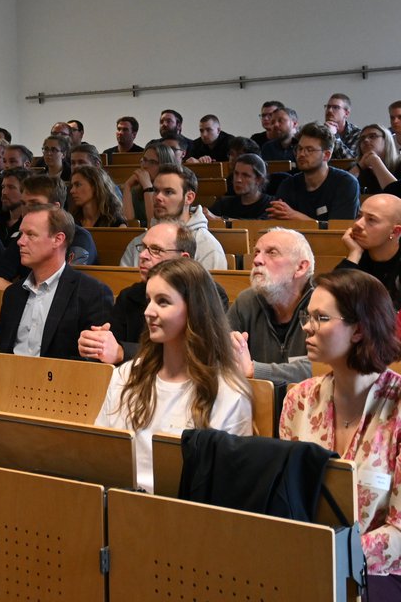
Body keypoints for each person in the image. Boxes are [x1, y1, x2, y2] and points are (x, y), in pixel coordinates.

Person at [280, 270, 401, 597]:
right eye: (308, 316)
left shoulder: (399, 408)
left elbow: (400, 534)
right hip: (309, 561)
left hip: (382, 572)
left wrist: (331, 556)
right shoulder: (299, 400)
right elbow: (287, 500)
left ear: (359, 330)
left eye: (321, 318)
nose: (306, 326)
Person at [95, 259, 252, 494]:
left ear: (194, 310)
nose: (148, 312)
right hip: (119, 503)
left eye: (163, 302)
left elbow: (226, 488)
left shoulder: (228, 392)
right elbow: (100, 452)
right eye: (149, 301)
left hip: (183, 515)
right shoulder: (127, 374)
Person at [79, 222, 228, 365]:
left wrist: (123, 352)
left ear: (183, 259)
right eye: (143, 247)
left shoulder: (209, 294)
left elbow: (200, 353)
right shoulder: (129, 296)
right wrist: (97, 344)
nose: (143, 255)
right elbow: (111, 347)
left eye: (156, 250)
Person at [0, 205, 113, 358]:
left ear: (58, 239)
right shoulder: (13, 294)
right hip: (9, 377)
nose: (20, 242)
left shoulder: (92, 293)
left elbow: (93, 362)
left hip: (61, 379)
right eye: (21, 234)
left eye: (31, 235)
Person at [228, 228, 314, 384]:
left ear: (301, 267)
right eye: (256, 253)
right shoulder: (246, 302)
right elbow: (220, 356)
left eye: (272, 253)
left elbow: (322, 368)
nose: (257, 260)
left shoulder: (324, 304)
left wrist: (254, 370)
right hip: (254, 403)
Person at [0, 175, 98, 289]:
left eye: (35, 204)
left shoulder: (80, 238)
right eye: (23, 203)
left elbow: (68, 289)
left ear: (55, 207)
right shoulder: (23, 237)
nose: (26, 210)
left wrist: (11, 289)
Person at [120, 166, 227, 270]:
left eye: (168, 192)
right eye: (156, 190)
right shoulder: (138, 243)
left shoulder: (207, 247)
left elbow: (210, 288)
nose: (158, 197)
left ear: (189, 198)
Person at [268, 122, 359, 222]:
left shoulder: (345, 183)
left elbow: (337, 230)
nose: (301, 154)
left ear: (326, 155)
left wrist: (296, 217)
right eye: (300, 148)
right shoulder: (288, 185)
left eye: (309, 150)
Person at [339, 194, 401, 309]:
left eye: (371, 219)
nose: (358, 224)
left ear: (395, 232)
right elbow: (333, 299)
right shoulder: (358, 257)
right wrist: (354, 253)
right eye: (359, 216)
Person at [120, 142, 180, 224]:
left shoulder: (170, 193)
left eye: (152, 162)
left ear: (164, 165)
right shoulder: (135, 191)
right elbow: (130, 226)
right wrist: (127, 186)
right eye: (144, 160)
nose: (145, 166)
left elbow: (154, 225)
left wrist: (147, 187)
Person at [206, 154, 274, 220]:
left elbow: (257, 225)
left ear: (259, 180)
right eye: (236, 173)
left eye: (245, 175)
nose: (238, 180)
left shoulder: (271, 204)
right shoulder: (224, 204)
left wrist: (219, 219)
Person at [350, 124, 400, 194]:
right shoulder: (355, 167)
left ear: (386, 140)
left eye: (372, 136)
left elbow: (396, 195)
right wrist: (359, 166)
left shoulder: (399, 165)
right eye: (362, 139)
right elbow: (339, 191)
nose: (366, 140)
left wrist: (375, 161)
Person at [0, 168, 29, 246]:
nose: (4, 192)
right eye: (3, 187)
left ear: (25, 192)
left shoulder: (29, 226)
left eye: (11, 187)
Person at [324, 93, 361, 159]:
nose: (329, 110)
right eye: (328, 107)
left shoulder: (357, 134)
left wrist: (334, 136)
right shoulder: (319, 132)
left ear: (346, 114)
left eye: (335, 107)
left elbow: (351, 162)